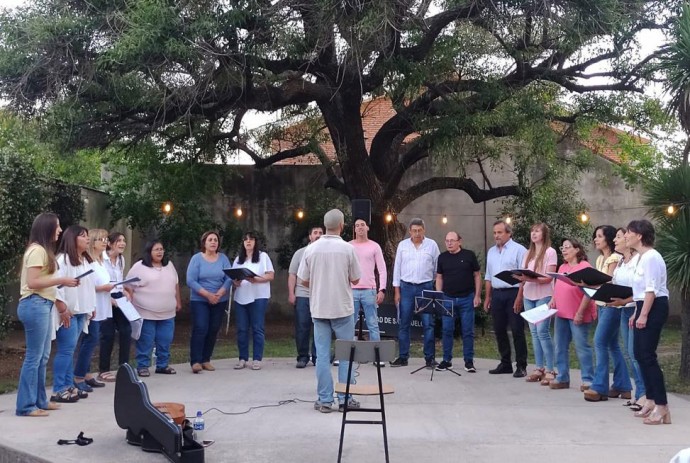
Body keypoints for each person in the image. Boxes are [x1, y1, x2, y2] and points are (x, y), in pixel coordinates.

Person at [297, 209, 361, 413]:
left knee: (322, 356)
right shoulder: (347, 249)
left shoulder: (311, 249)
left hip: (319, 308)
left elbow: (303, 280)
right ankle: (345, 398)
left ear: (325, 226)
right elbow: (356, 279)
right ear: (342, 225)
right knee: (346, 355)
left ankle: (325, 400)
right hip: (342, 308)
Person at [16, 213, 78, 417]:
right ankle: (26, 406)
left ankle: (40, 401)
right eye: (57, 226)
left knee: (42, 357)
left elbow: (40, 281)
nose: (60, 230)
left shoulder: (42, 251)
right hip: (35, 304)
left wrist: (59, 282)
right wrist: (60, 279)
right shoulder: (37, 250)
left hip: (42, 304)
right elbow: (33, 283)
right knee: (34, 357)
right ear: (47, 228)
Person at [625, 219, 671, 425]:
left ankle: (662, 406)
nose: (626, 235)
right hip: (643, 305)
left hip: (654, 306)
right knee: (639, 354)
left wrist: (644, 315)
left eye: (628, 232)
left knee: (648, 356)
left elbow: (651, 290)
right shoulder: (640, 258)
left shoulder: (651, 257)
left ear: (639, 235)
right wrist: (637, 312)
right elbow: (640, 292)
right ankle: (650, 400)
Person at [585, 225, 632, 402]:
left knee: (599, 341)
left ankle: (599, 387)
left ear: (608, 238)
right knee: (612, 345)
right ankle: (623, 385)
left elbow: (608, 282)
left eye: (599, 236)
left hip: (611, 305)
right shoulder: (599, 259)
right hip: (601, 304)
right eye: (595, 236)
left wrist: (590, 284)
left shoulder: (614, 257)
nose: (596, 239)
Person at [52, 225, 96, 403]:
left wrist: (91, 306)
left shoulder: (84, 259)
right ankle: (59, 388)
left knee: (71, 351)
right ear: (72, 239)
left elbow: (89, 286)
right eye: (83, 236)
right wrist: (63, 308)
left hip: (81, 310)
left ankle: (69, 384)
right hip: (68, 311)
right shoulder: (62, 260)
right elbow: (55, 287)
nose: (87, 239)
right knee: (65, 350)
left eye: (87, 236)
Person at [126, 239, 182, 377]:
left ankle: (162, 365)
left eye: (161, 249)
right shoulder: (139, 266)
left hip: (168, 312)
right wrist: (130, 306)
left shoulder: (169, 265)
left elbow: (176, 284)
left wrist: (178, 302)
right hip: (145, 312)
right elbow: (128, 286)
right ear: (149, 251)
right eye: (156, 249)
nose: (160, 252)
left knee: (165, 339)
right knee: (146, 340)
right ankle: (143, 366)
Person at [390, 218, 440, 368]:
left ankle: (429, 358)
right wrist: (397, 291)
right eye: (414, 230)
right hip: (406, 288)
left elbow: (437, 269)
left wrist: (435, 288)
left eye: (419, 230)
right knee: (404, 323)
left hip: (425, 287)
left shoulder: (432, 245)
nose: (417, 233)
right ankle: (403, 356)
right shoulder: (403, 246)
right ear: (410, 231)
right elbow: (397, 269)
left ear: (424, 230)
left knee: (428, 324)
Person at [547, 238, 596, 390]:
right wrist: (553, 299)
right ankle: (562, 377)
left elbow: (589, 291)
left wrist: (580, 312)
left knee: (582, 346)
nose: (564, 250)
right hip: (561, 313)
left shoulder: (585, 266)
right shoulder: (562, 267)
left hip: (578, 313)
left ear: (577, 249)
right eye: (562, 247)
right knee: (559, 346)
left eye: (567, 247)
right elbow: (557, 285)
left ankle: (588, 379)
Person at [483, 220, 528, 377]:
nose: (496, 236)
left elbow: (524, 276)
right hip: (497, 293)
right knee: (499, 329)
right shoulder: (491, 252)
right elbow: (488, 276)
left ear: (509, 233)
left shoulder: (519, 250)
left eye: (500, 232)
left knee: (517, 329)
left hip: (513, 293)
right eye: (495, 232)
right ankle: (505, 362)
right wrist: (487, 297)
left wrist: (519, 297)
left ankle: (521, 365)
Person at [514, 223, 557, 383]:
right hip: (528, 295)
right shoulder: (528, 253)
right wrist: (520, 290)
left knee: (542, 331)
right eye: (532, 230)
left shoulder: (550, 252)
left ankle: (551, 369)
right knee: (533, 333)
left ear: (544, 234)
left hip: (544, 295)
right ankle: (539, 367)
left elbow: (548, 277)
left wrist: (529, 278)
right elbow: (523, 278)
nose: (534, 233)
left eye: (537, 231)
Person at [609, 227, 646, 409]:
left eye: (618, 237)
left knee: (636, 353)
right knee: (629, 353)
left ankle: (644, 395)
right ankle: (638, 393)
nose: (614, 240)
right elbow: (615, 285)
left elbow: (641, 288)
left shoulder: (638, 260)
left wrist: (625, 301)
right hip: (623, 309)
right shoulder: (621, 262)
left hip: (635, 308)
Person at [434, 231, 481, 373]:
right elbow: (439, 277)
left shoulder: (469, 255)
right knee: (447, 330)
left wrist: (477, 295)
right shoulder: (442, 258)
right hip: (448, 298)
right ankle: (447, 360)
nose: (449, 243)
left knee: (468, 331)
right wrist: (439, 295)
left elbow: (477, 275)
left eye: (452, 240)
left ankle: (469, 362)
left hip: (467, 298)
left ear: (459, 241)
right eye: (447, 240)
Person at [72, 229, 112, 393]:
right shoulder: (90, 262)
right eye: (100, 239)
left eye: (106, 239)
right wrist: (104, 287)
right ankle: (79, 375)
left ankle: (87, 374)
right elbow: (87, 285)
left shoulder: (102, 261)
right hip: (92, 304)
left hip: (101, 304)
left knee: (92, 340)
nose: (104, 242)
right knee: (90, 339)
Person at [187, 231, 232, 374]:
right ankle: (196, 361)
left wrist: (220, 293)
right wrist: (207, 295)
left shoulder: (223, 258)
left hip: (219, 299)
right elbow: (190, 280)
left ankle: (206, 359)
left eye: (216, 240)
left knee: (213, 329)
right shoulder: (196, 259)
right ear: (204, 243)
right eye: (210, 240)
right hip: (200, 299)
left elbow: (229, 277)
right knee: (201, 328)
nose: (213, 242)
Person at [231, 231, 275, 371]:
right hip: (241, 296)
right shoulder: (238, 259)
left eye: (251, 239)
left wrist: (256, 280)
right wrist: (235, 282)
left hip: (258, 296)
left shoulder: (263, 257)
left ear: (256, 242)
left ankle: (257, 358)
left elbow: (270, 275)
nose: (248, 242)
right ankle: (242, 358)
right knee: (242, 329)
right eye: (245, 240)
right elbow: (233, 277)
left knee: (257, 328)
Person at [288, 226, 323, 368]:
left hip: (320, 295)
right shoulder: (300, 253)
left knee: (319, 327)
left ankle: (317, 357)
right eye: (315, 233)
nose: (318, 235)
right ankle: (302, 357)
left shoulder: (325, 253)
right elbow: (292, 274)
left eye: (321, 233)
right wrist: (291, 293)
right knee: (302, 326)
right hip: (302, 295)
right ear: (310, 236)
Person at [98, 232, 132, 382]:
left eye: (124, 240)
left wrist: (125, 291)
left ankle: (124, 367)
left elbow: (119, 280)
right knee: (108, 334)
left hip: (119, 297)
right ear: (110, 244)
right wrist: (110, 299)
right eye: (119, 241)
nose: (123, 243)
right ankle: (103, 370)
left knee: (126, 330)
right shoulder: (101, 259)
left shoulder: (121, 260)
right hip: (105, 297)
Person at [350, 219, 387, 349]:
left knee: (373, 323)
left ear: (367, 228)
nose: (360, 227)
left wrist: (382, 289)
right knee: (349, 324)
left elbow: (382, 269)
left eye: (362, 225)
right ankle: (345, 355)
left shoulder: (374, 246)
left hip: (369, 290)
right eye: (357, 226)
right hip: (351, 290)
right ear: (354, 229)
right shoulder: (349, 246)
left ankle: (377, 355)